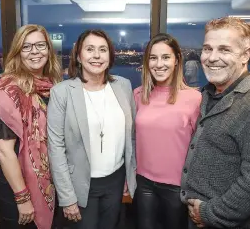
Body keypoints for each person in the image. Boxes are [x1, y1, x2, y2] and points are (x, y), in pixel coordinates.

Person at [47, 29, 137, 229]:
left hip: (116, 180)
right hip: (80, 185)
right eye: (90, 49)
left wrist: (129, 177)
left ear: (110, 55)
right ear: (78, 56)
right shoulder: (61, 93)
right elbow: (56, 148)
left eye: (102, 50)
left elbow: (132, 137)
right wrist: (67, 197)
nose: (97, 55)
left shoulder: (123, 86)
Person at [0, 24, 62, 229]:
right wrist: (22, 198)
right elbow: (3, 150)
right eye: (26, 47)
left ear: (49, 50)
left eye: (40, 45)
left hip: (46, 182)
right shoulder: (9, 92)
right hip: (16, 188)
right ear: (18, 53)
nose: (34, 51)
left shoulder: (52, 87)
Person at [181, 17, 250, 229]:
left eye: (224, 50)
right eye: (207, 48)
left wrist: (209, 213)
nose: (212, 58)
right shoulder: (205, 95)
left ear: (245, 55)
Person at [133, 33, 202, 229]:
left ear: (176, 60)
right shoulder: (138, 95)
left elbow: (201, 148)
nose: (159, 64)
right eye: (153, 58)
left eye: (166, 57)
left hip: (178, 188)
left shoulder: (194, 98)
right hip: (144, 183)